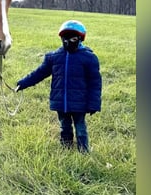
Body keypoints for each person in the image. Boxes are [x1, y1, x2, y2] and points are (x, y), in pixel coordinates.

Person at [14, 20, 102, 152]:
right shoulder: (54, 57)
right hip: (60, 102)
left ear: (80, 39)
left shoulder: (89, 58)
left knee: (80, 128)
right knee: (64, 126)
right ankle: (66, 149)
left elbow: (95, 83)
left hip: (80, 103)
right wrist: (23, 83)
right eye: (65, 38)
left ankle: (84, 151)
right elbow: (39, 73)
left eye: (73, 38)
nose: (68, 42)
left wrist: (94, 103)